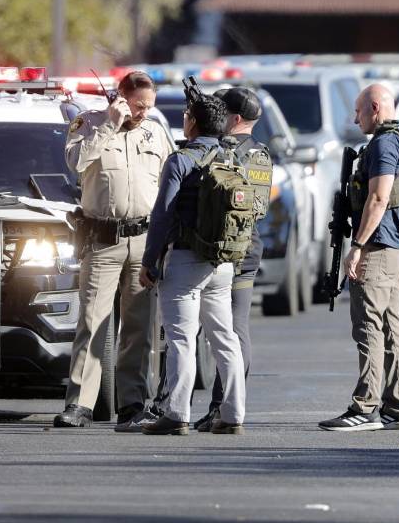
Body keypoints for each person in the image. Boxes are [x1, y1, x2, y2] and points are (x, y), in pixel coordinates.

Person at [55, 71, 174, 430]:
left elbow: (172, 180)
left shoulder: (156, 132)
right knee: (92, 322)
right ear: (120, 98)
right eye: (138, 106)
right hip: (102, 239)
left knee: (139, 326)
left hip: (144, 240)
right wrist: (110, 125)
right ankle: (80, 404)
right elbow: (76, 164)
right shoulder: (87, 125)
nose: (143, 113)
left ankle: (132, 402)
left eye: (148, 107)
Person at [140, 94, 246, 435]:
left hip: (186, 260)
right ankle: (233, 415)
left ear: (192, 122)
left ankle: (176, 413)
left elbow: (161, 216)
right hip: (223, 262)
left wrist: (150, 262)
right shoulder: (233, 157)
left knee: (181, 339)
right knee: (224, 338)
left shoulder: (181, 160)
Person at [319, 83, 399, 432]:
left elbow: (379, 198)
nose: (355, 117)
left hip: (378, 247)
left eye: (360, 110)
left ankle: (365, 407)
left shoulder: (384, 143)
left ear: (376, 108)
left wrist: (358, 245)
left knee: (369, 328)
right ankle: (396, 407)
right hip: (397, 245)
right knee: (391, 327)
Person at [192, 87, 273, 433]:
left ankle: (218, 408)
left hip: (217, 249)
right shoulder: (262, 155)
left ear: (235, 119)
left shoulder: (221, 151)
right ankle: (226, 407)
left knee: (207, 332)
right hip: (248, 247)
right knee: (237, 330)